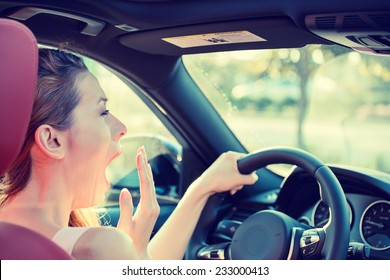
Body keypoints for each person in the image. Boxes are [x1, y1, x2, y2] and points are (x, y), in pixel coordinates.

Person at [0, 48, 258, 260]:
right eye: (102, 112)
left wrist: (201, 189)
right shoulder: (94, 248)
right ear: (52, 139)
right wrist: (132, 254)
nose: (121, 128)